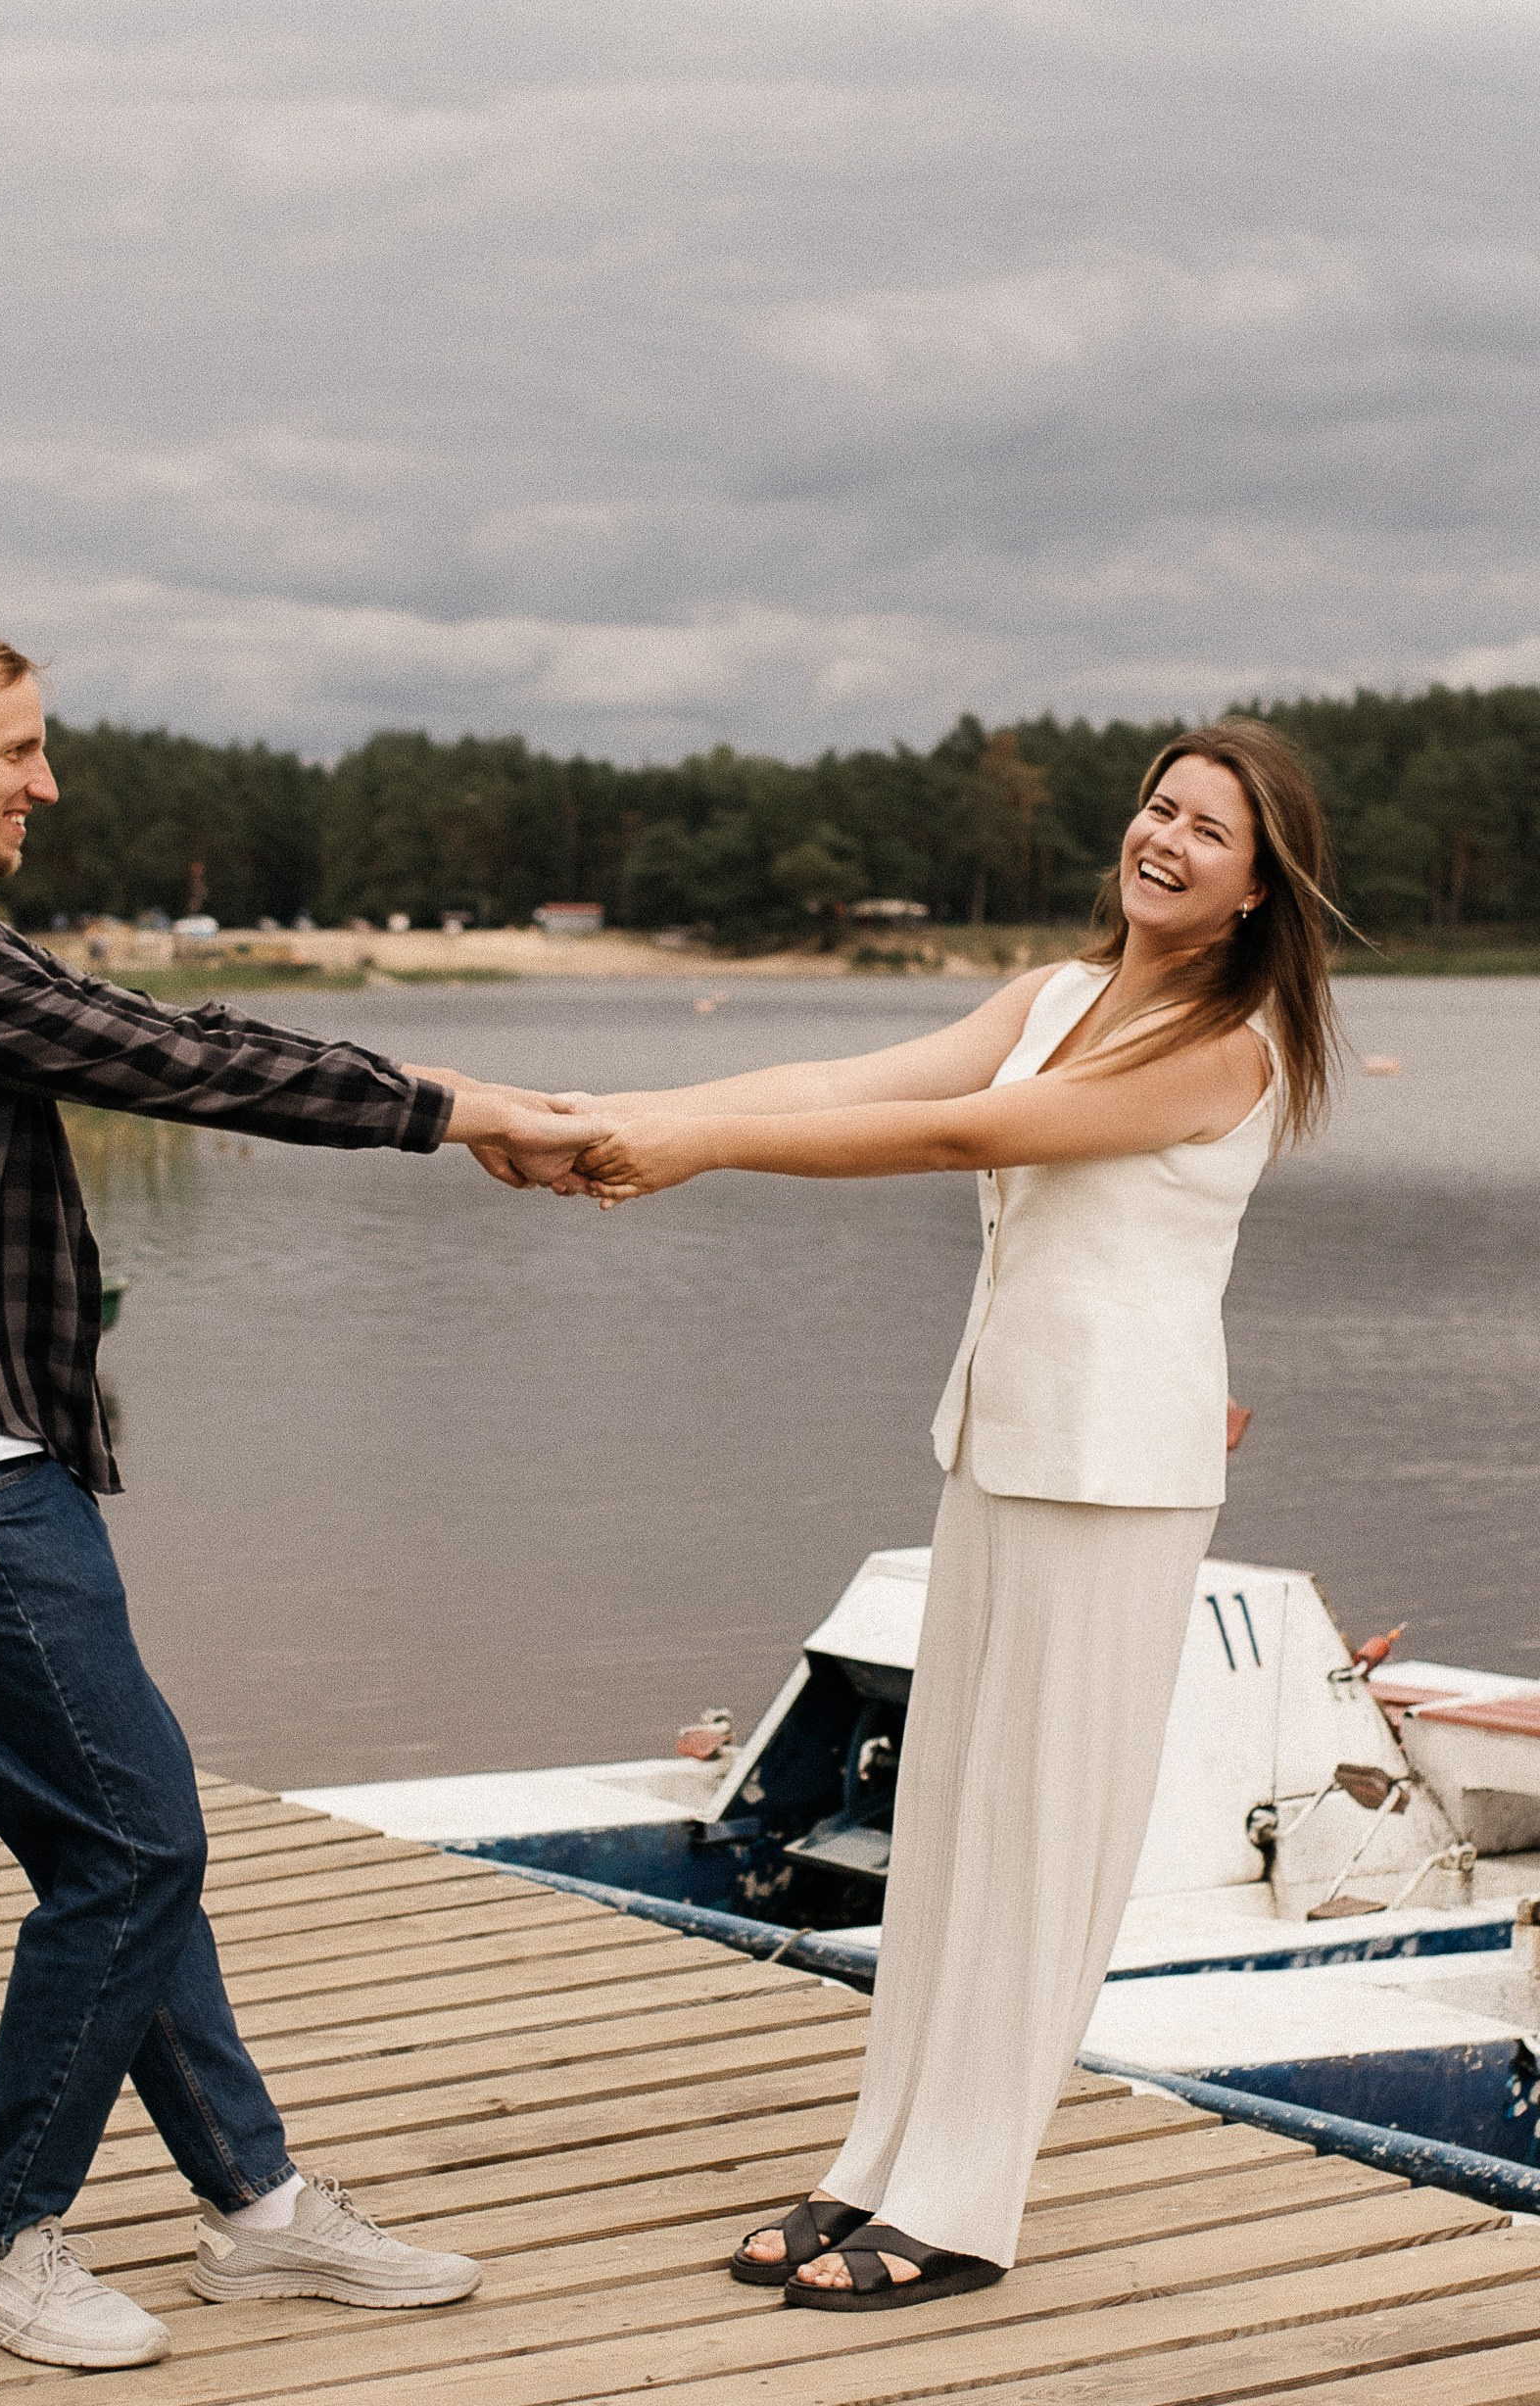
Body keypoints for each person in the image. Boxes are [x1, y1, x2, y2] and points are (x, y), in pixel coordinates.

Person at [0, 617, 597, 2371]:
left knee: (109, 1844)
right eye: (18, 748)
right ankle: (0, 2242)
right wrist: (458, 1104)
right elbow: (169, 1053)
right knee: (139, 1841)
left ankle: (256, 2206)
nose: (45, 782)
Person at [571, 722, 1339, 2312]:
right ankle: (880, 2163)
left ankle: (968, 2201)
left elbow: (962, 1133)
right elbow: (858, 1078)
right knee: (949, 1829)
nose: (1167, 839)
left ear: (1263, 888)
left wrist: (704, 1148)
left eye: (1211, 829)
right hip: (1000, 1447)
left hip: (1117, 1473)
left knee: (1039, 1837)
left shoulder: (1232, 1041)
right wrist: (626, 1106)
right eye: (1157, 806)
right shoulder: (1058, 998)